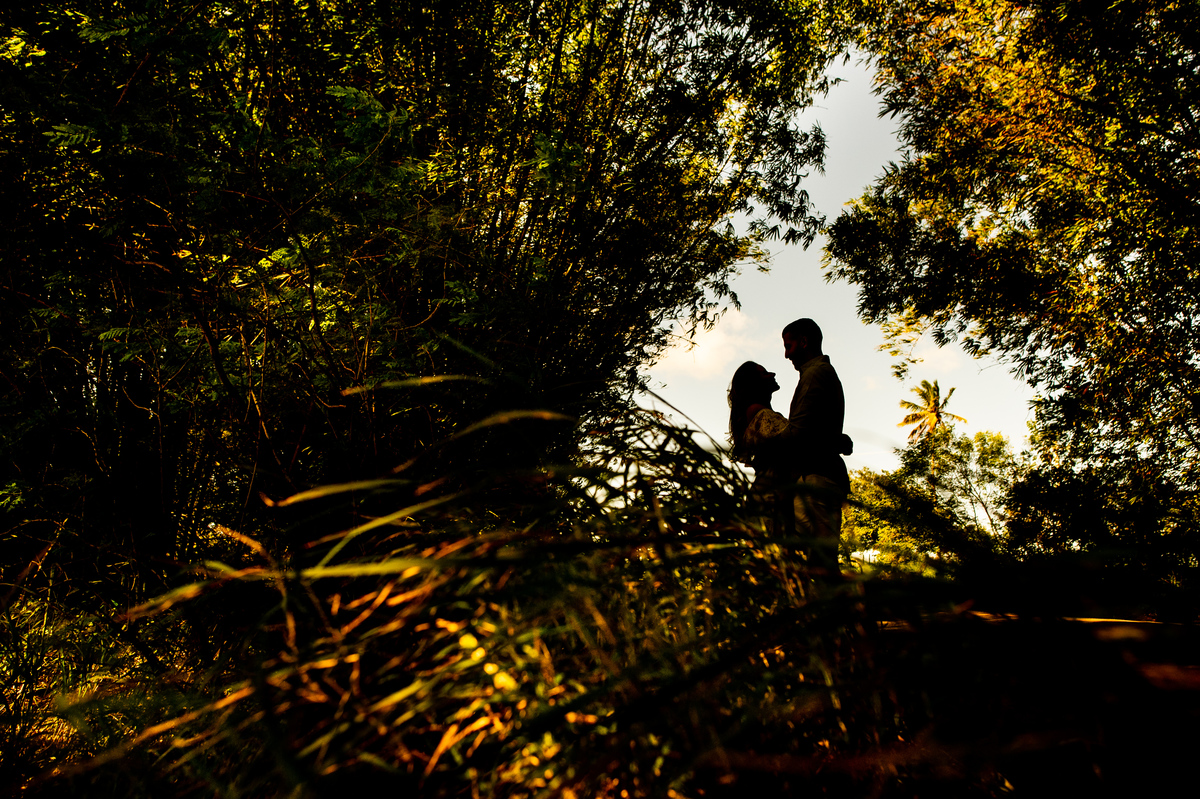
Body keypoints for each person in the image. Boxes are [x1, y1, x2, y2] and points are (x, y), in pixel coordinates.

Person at [781, 318, 851, 577]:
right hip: (826, 476)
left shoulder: (814, 374)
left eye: (789, 346)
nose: (786, 354)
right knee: (823, 560)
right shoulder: (824, 374)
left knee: (815, 564)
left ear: (804, 342)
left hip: (815, 478)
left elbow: (798, 432)